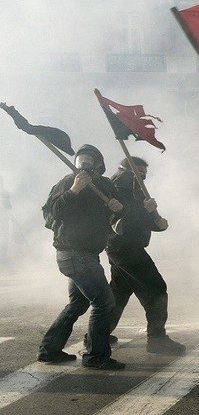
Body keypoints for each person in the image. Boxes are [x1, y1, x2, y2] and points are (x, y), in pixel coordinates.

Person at [38, 145, 127, 370]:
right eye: (81, 158)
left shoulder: (105, 185)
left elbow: (119, 214)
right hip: (73, 253)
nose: (85, 162)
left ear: (99, 164)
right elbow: (52, 213)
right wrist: (74, 190)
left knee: (78, 303)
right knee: (104, 302)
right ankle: (96, 356)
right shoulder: (68, 182)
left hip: (87, 254)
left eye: (90, 159)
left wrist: (117, 208)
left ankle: (49, 350)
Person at [103, 157, 185, 355]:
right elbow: (123, 218)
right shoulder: (121, 185)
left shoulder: (133, 189)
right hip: (126, 248)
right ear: (126, 169)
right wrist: (145, 209)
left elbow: (139, 221)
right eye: (138, 172)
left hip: (122, 247)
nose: (142, 176)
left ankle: (98, 334)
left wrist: (158, 223)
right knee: (156, 289)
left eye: (144, 173)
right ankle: (157, 340)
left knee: (119, 293)